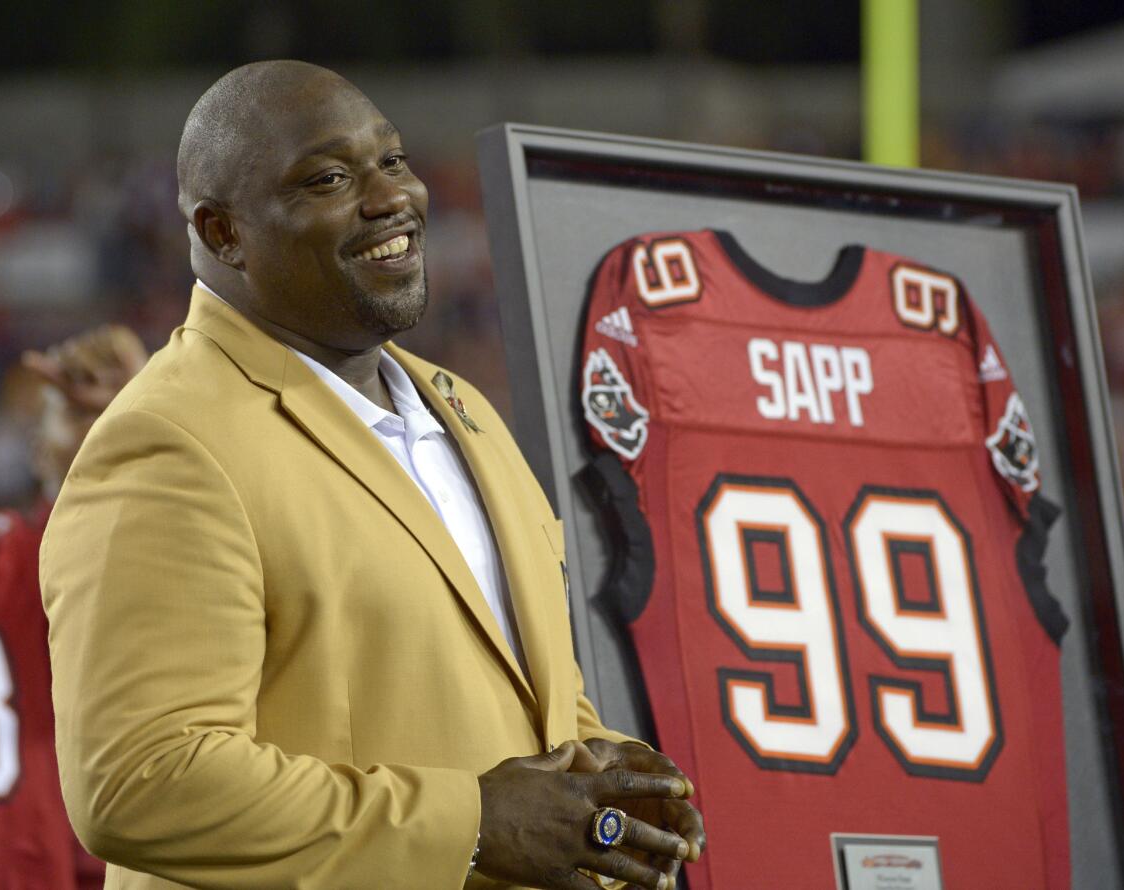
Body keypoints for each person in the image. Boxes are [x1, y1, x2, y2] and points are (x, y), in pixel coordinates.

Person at [41, 60, 705, 890]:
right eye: (328, 178)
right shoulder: (166, 444)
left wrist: (606, 783)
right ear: (223, 234)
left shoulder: (462, 411)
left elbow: (524, 710)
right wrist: (472, 825)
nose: (391, 197)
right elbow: (138, 781)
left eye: (391, 161)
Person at [0, 323, 147, 889]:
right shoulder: (11, 560)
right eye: (74, 419)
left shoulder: (168, 563)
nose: (96, 434)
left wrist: (143, 418)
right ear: (37, 453)